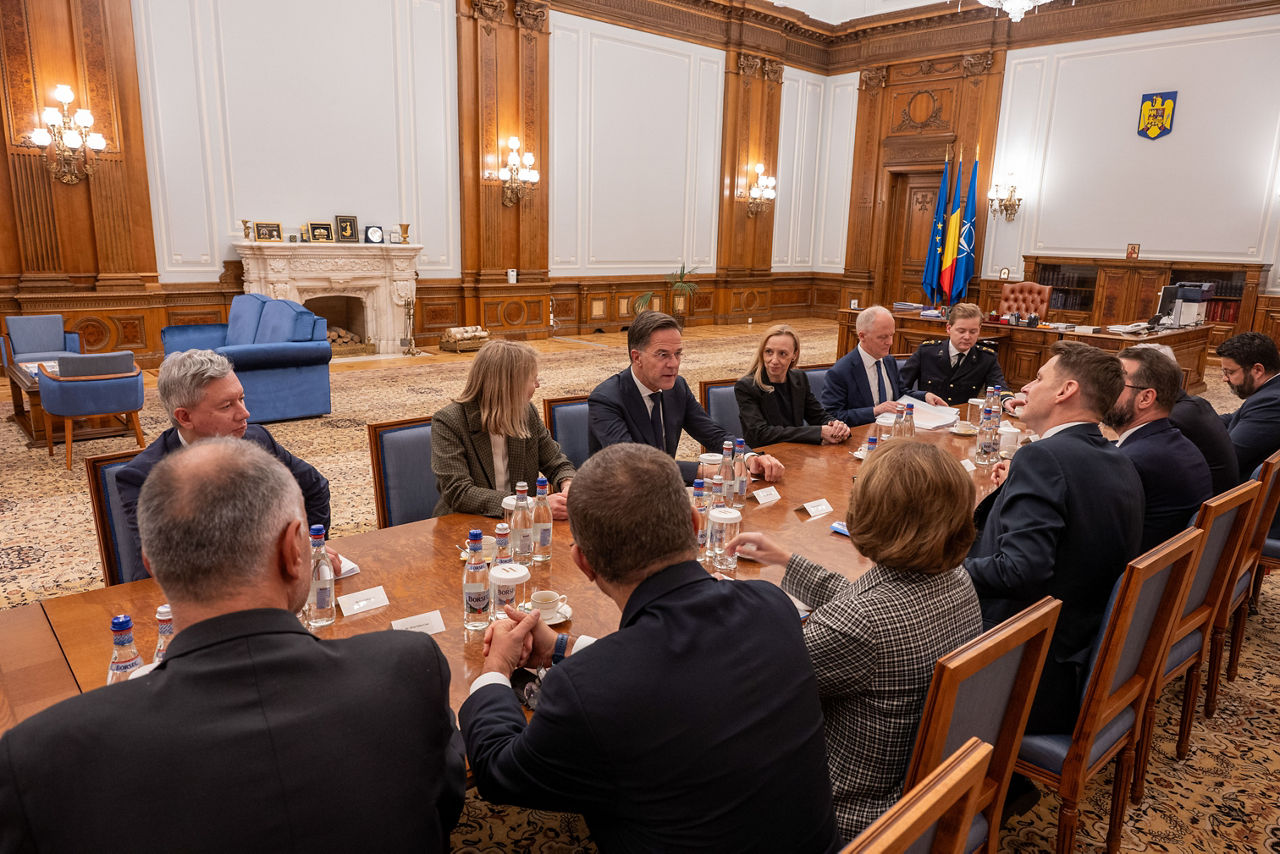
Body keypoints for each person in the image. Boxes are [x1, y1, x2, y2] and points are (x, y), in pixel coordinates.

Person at [0, 439, 465, 850]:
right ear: (294, 549)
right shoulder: (408, 666)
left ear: (151, 563)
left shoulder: (37, 756)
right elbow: (444, 810)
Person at [459, 443, 840, 852]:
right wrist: (563, 646)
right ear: (696, 524)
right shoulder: (771, 606)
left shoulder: (588, 688)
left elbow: (501, 773)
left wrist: (496, 667)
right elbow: (674, 667)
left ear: (584, 563)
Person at [727, 441, 983, 840]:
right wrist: (785, 561)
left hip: (852, 809)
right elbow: (866, 603)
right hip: (928, 787)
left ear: (871, 515)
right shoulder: (955, 578)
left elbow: (753, 688)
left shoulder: (861, 625)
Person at [966, 341, 1144, 734]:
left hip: (1026, 670)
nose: (1026, 387)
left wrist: (944, 569)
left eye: (1039, 377)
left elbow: (1020, 571)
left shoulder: (1043, 458)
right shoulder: (1116, 457)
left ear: (1066, 391)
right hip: (1076, 652)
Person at [116, 349, 331, 583]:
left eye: (241, 398)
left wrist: (311, 546)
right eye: (227, 406)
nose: (245, 413)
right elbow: (173, 563)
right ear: (185, 417)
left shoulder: (257, 439)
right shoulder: (144, 476)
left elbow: (314, 489)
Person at [588, 311, 784, 484]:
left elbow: (713, 434)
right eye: (663, 355)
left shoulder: (677, 387)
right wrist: (703, 471)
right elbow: (631, 463)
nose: (673, 364)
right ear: (637, 357)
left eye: (678, 353)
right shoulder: (606, 398)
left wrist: (748, 458)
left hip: (664, 490)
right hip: (616, 498)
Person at [432, 339, 575, 518]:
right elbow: (459, 492)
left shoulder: (527, 413)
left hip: (521, 528)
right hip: (467, 527)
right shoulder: (450, 421)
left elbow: (557, 463)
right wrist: (531, 505)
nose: (537, 385)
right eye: (533, 379)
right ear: (510, 386)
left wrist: (568, 484)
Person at [1103, 346, 1212, 552]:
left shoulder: (1131, 461)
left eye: (1114, 383)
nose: (1103, 390)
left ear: (1145, 398)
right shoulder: (1178, 443)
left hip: (1133, 577)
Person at [1129, 343, 1239, 495]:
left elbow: (1136, 460)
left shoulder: (1169, 418)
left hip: (1202, 504)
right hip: (1218, 499)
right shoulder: (1195, 403)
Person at [734, 323, 850, 446]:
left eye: (782, 353)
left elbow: (817, 415)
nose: (774, 360)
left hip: (796, 451)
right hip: (763, 456)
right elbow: (760, 434)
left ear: (794, 355)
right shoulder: (747, 386)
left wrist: (835, 425)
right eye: (769, 352)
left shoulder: (799, 378)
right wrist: (818, 432)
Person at [821, 305, 930, 426]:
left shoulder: (889, 361)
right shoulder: (841, 372)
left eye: (891, 335)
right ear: (862, 336)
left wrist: (925, 396)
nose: (890, 342)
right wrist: (875, 411)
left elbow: (900, 394)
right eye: (882, 337)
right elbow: (833, 416)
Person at [899, 302, 1012, 406]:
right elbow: (901, 387)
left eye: (973, 332)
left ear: (979, 329)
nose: (967, 337)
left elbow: (999, 388)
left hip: (962, 421)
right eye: (961, 331)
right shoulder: (926, 352)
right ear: (949, 328)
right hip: (928, 416)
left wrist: (1007, 401)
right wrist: (922, 396)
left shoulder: (986, 358)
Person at [1216, 331, 1280, 481]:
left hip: (1237, 494)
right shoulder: (1271, 391)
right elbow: (1233, 417)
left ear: (1258, 370)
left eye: (1229, 372)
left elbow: (1228, 458)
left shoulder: (1271, 402)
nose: (1224, 379)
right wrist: (1197, 424)